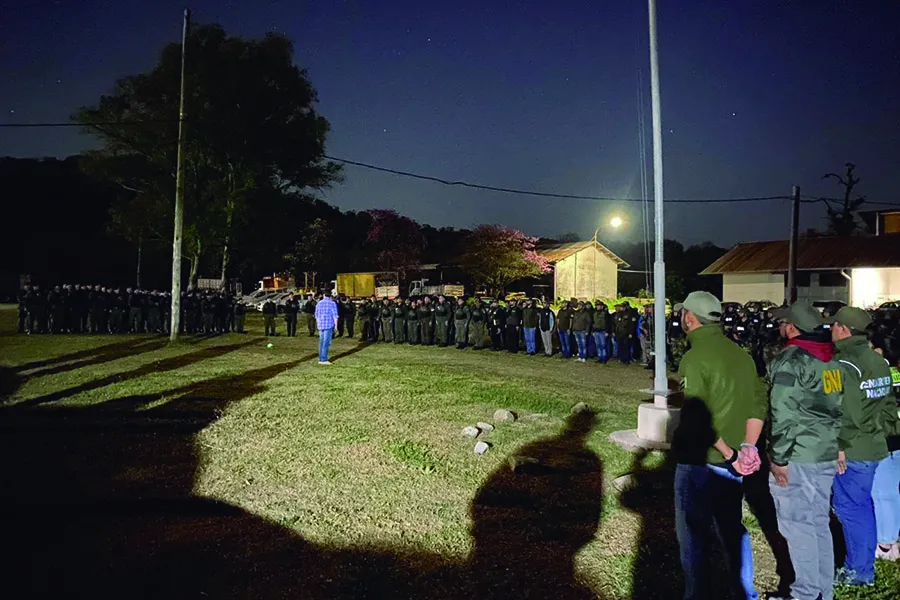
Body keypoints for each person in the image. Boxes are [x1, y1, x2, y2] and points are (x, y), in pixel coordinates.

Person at [674, 291, 766, 600]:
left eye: (683, 313)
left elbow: (696, 419)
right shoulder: (741, 354)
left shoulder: (694, 358)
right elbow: (758, 402)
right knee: (732, 529)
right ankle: (745, 592)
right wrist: (748, 448)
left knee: (693, 535)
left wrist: (729, 454)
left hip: (701, 461)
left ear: (690, 317)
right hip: (733, 464)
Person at [767, 301, 844, 600]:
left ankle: (805, 593)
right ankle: (823, 590)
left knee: (798, 526)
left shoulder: (791, 361)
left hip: (798, 454)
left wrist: (779, 458)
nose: (780, 327)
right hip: (825, 451)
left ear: (791, 327)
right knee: (818, 523)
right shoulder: (831, 359)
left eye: (783, 322)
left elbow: (783, 412)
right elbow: (836, 407)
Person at [828, 307, 896, 586]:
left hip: (851, 450)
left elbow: (839, 409)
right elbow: (887, 404)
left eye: (833, 325)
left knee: (851, 509)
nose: (830, 330)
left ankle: (858, 572)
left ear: (843, 329)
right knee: (862, 506)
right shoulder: (878, 360)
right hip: (873, 444)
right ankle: (863, 567)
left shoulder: (839, 364)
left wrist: (839, 445)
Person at [869, 333, 900, 561]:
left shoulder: (881, 373)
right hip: (895, 437)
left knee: (883, 492)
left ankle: (886, 544)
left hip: (887, 437)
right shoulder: (894, 371)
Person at [314, 291, 339, 365]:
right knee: (326, 342)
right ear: (330, 295)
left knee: (321, 342)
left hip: (321, 325)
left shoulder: (319, 303)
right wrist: (336, 326)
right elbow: (335, 316)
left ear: (324, 295)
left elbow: (316, 315)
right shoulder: (332, 303)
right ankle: (324, 359)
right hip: (328, 325)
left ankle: (321, 358)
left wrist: (318, 323)